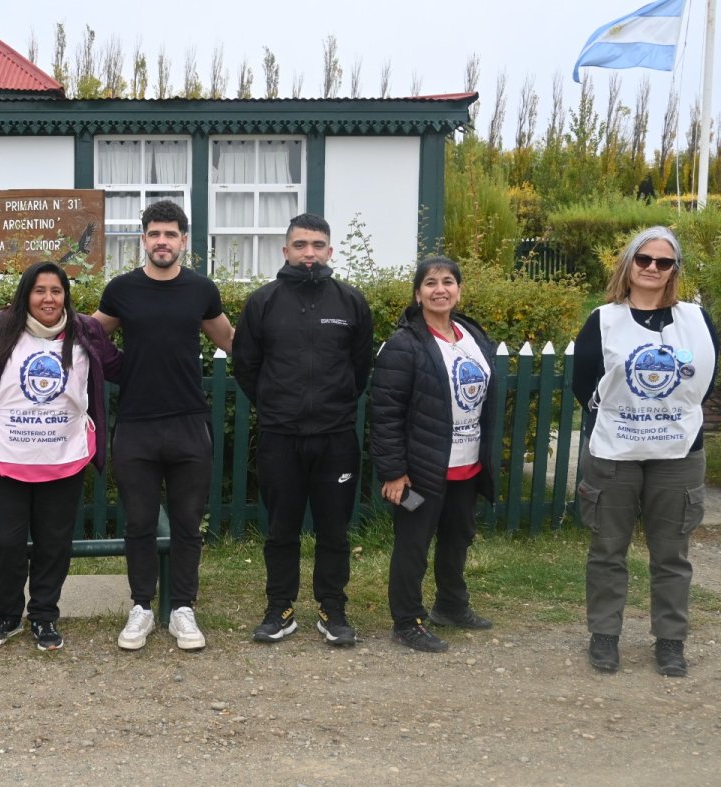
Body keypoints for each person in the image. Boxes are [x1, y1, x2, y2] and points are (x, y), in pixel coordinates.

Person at [573, 226, 717, 677]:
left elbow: (706, 380)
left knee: (672, 553)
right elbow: (585, 384)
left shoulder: (697, 320)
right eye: (645, 260)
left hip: (678, 451)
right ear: (629, 264)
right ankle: (604, 636)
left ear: (674, 270)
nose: (653, 269)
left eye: (664, 262)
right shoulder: (603, 319)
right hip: (615, 450)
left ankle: (670, 642)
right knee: (607, 549)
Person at [93, 199, 234, 651]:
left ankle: (182, 610)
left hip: (189, 422)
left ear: (183, 241)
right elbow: (89, 341)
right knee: (138, 522)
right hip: (135, 423)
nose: (162, 241)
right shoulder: (121, 290)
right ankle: (141, 608)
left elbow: (231, 342)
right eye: (154, 234)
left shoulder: (201, 290)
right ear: (143, 240)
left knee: (189, 523)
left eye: (170, 234)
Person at [0, 262, 122, 651]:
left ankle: (44, 616)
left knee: (54, 543)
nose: (48, 298)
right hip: (5, 457)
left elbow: (120, 367)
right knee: (6, 542)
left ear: (65, 295)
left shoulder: (85, 330)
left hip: (63, 456)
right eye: (39, 290)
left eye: (56, 290)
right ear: (25, 294)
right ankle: (6, 616)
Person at [233, 214, 373, 647]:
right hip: (280, 436)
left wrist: (331, 405)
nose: (308, 253)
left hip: (335, 439)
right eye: (300, 245)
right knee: (281, 530)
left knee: (334, 530)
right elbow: (246, 367)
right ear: (286, 251)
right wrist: (278, 404)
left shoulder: (351, 303)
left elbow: (360, 369)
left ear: (330, 251)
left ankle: (333, 610)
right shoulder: (263, 302)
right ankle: (281, 609)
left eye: (317, 245)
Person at [369, 256, 498, 653]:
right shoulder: (404, 344)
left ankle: (451, 605)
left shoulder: (473, 335)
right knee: (413, 544)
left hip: (467, 464)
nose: (439, 289)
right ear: (417, 293)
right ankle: (407, 621)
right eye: (430, 283)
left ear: (459, 289)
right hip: (421, 469)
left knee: (458, 537)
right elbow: (385, 412)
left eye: (447, 281)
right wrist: (393, 472)